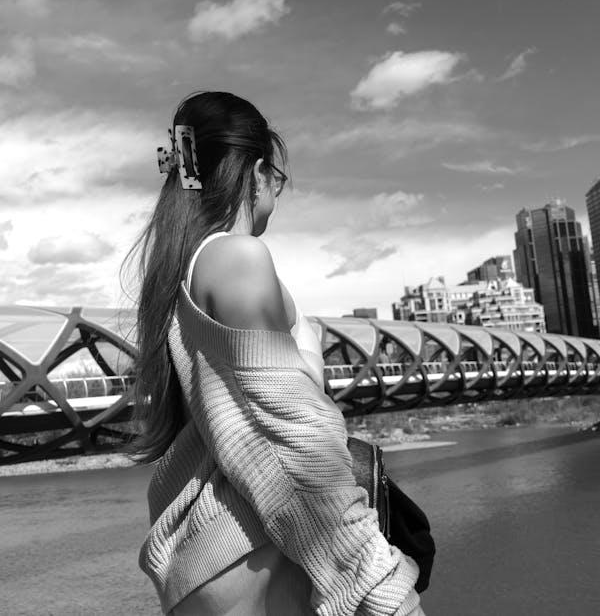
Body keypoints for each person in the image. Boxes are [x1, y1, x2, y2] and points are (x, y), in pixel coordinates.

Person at [128, 91, 424, 616]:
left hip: (210, 565)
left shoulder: (176, 276)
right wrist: (380, 587)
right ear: (259, 173)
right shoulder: (237, 257)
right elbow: (294, 440)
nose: (277, 192)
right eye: (279, 180)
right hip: (256, 557)